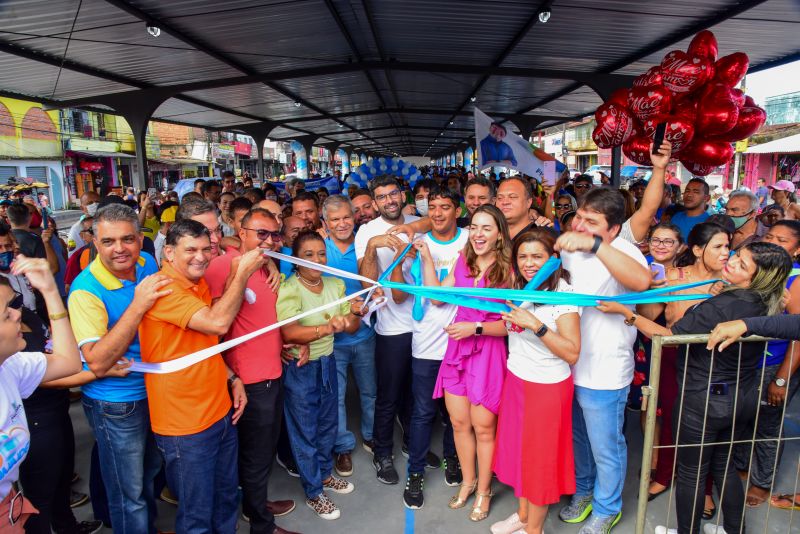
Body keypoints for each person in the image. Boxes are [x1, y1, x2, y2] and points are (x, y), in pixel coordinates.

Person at [598, 242, 792, 534]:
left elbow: (667, 335)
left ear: (757, 278)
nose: (731, 261)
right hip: (743, 395)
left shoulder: (725, 305)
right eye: (736, 255)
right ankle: (733, 529)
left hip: (704, 398)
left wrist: (627, 313)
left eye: (741, 264)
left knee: (691, 472)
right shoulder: (766, 299)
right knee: (723, 466)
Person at [138, 219, 264, 533]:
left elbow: (201, 345)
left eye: (206, 249)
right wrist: (243, 274)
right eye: (190, 250)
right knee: (196, 515)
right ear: (168, 252)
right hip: (185, 427)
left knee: (224, 499)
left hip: (219, 413)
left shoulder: (197, 283)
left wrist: (232, 378)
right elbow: (217, 324)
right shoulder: (164, 288)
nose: (201, 257)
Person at [66, 204, 171, 534]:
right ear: (94, 242)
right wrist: (138, 305)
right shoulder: (85, 291)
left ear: (141, 239)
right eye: (108, 241)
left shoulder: (147, 263)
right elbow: (97, 360)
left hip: (154, 390)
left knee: (150, 474)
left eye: (128, 239)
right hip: (116, 404)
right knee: (129, 493)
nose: (120, 249)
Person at [555, 188, 651, 534]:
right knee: (579, 438)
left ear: (613, 229)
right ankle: (584, 492)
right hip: (569, 364)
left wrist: (595, 245)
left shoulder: (624, 252)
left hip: (606, 371)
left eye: (592, 222)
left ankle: (608, 507)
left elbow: (642, 282)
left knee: (606, 445)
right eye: (580, 216)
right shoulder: (569, 247)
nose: (580, 225)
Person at [204, 209, 297, 534]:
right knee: (255, 456)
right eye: (261, 234)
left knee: (262, 452)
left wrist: (279, 343)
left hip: (273, 371)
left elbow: (262, 319)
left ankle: (255, 504)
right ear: (240, 232)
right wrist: (229, 375)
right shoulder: (221, 267)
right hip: (248, 380)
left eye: (275, 235)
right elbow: (213, 327)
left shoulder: (265, 264)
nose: (270, 241)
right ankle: (262, 524)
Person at [492, 229, 581, 534]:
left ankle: (535, 530)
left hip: (547, 389)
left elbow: (572, 352)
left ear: (553, 259)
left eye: (537, 256)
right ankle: (523, 516)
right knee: (519, 454)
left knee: (538, 465)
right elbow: (512, 329)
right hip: (517, 379)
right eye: (523, 256)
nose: (529, 263)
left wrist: (537, 325)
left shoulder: (564, 293)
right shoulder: (519, 285)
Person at [637, 223, 730, 511]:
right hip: (673, 356)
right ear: (698, 250)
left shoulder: (732, 281)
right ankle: (664, 475)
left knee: (711, 424)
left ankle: (706, 489)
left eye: (728, 246)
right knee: (672, 418)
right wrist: (653, 292)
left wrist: (728, 294)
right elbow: (649, 316)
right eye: (718, 246)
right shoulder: (674, 277)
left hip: (716, 361)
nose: (726, 253)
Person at [430, 204, 512, 522]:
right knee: (460, 424)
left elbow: (512, 325)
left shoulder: (510, 271)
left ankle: (484, 490)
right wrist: (419, 260)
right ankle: (468, 482)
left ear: (499, 234)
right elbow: (437, 296)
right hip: (458, 351)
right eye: (474, 227)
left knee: (483, 428)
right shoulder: (463, 260)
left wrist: (475, 328)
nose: (478, 234)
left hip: (488, 353)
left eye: (486, 228)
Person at [277, 231, 366, 520]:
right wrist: (328, 328)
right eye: (309, 255)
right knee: (305, 430)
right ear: (295, 260)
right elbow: (289, 332)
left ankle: (325, 476)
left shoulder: (335, 283)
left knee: (328, 423)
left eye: (321, 254)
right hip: (300, 369)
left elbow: (351, 326)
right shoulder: (289, 288)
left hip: (327, 361)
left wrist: (354, 313)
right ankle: (314, 491)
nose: (317, 260)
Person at [0, 257, 82, 533]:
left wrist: (49, 291)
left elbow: (68, 362)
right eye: (6, 312)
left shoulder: (10, 367)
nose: (17, 313)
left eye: (16, 303)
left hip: (8, 510)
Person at [400, 188, 467, 510]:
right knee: (423, 413)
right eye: (433, 208)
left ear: (458, 210)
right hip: (425, 342)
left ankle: (452, 461)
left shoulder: (470, 240)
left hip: (461, 342)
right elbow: (407, 288)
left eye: (445, 207)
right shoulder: (415, 243)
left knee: (457, 416)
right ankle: (415, 473)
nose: (439, 213)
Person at [355, 174, 419, 486]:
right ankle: (383, 453)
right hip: (392, 327)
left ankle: (411, 444)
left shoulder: (419, 222)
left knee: (415, 394)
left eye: (393, 194)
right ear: (375, 202)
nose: (389, 200)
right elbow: (367, 284)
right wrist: (371, 249)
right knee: (389, 395)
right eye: (382, 197)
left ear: (402, 195)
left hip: (425, 325)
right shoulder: (367, 231)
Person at [731, 219, 800, 508]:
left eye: (782, 240)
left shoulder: (795, 279)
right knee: (745, 415)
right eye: (770, 236)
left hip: (777, 364)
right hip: (748, 360)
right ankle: (743, 466)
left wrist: (782, 378)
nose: (772, 242)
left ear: (797, 250)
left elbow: (798, 335)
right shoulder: (756, 270)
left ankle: (762, 482)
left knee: (768, 423)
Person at [320, 196, 377, 479]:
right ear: (325, 224)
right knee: (337, 397)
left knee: (370, 390)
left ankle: (371, 435)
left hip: (365, 333)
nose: (342, 223)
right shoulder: (319, 250)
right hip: (332, 339)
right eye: (335, 219)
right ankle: (342, 446)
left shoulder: (364, 244)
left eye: (346, 217)